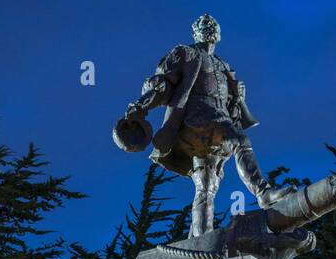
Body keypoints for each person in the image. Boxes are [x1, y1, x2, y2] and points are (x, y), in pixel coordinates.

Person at [117, 14, 289, 237]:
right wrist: (142, 105)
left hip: (218, 123)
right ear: (196, 33)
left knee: (207, 187)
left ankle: (199, 238)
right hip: (196, 119)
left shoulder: (223, 65)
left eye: (212, 26)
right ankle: (263, 192)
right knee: (240, 141)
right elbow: (162, 85)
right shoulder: (185, 53)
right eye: (204, 26)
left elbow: (233, 110)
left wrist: (238, 98)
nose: (209, 29)